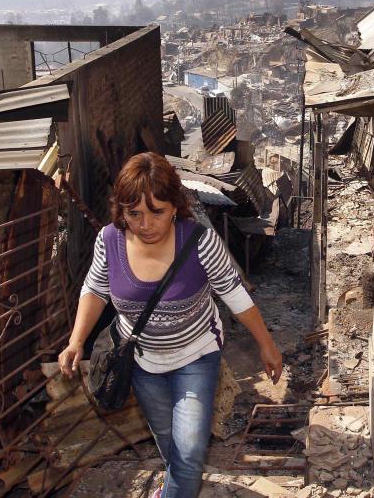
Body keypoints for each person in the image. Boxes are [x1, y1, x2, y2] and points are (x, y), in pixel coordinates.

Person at [58, 152, 282, 498]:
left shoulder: (200, 242)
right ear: (122, 211)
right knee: (167, 439)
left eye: (157, 212)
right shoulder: (109, 241)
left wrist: (266, 344)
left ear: (175, 207)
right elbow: (95, 289)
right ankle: (178, 481)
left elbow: (234, 294)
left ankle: (178, 483)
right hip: (143, 362)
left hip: (196, 357)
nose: (145, 224)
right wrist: (76, 341)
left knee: (190, 450)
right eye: (134, 214)